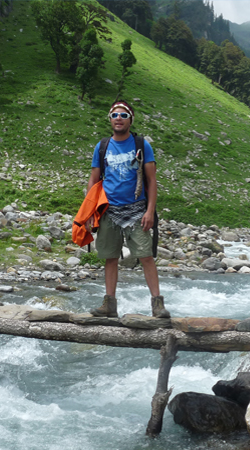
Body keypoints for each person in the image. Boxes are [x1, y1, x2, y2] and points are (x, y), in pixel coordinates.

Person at [85, 100, 169, 319]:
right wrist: (88, 212)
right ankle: (109, 305)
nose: (119, 119)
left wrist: (150, 211)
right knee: (110, 257)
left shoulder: (141, 145)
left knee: (146, 255)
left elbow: (152, 181)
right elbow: (94, 179)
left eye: (123, 115)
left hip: (136, 211)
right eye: (115, 115)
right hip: (108, 211)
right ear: (110, 119)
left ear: (131, 119)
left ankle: (157, 305)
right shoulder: (102, 146)